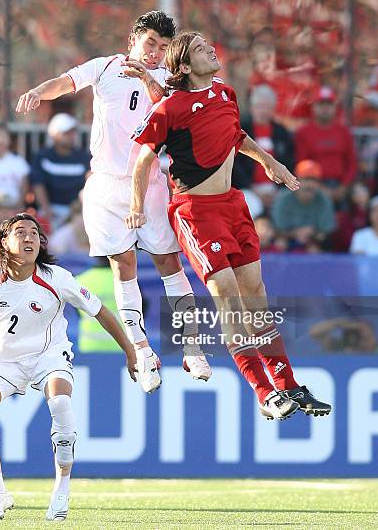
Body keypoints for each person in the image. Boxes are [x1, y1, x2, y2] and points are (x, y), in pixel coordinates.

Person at [126, 31, 331, 420]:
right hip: (196, 212)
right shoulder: (170, 109)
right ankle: (263, 393)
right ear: (185, 66)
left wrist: (269, 161)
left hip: (233, 205)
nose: (212, 49)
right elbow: (142, 161)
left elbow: (235, 136)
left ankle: (287, 385)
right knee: (230, 301)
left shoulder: (226, 93)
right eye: (202, 49)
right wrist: (137, 207)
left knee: (256, 297)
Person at [16, 11, 211, 392]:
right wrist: (40, 91)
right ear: (134, 39)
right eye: (151, 43)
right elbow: (67, 82)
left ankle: (192, 346)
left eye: (163, 47)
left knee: (170, 262)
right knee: (123, 267)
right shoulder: (104, 67)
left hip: (150, 181)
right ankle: (141, 349)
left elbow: (172, 115)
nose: (155, 53)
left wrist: (149, 81)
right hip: (105, 184)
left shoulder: (168, 79)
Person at [0, 213, 136, 521]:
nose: (29, 238)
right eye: (21, 232)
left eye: (35, 233)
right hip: (2, 358)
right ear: (4, 241)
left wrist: (130, 350)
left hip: (49, 355)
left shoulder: (57, 278)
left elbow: (100, 311)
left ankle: (62, 489)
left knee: (61, 403)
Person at [232, 84, 294, 213]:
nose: (263, 111)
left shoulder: (282, 133)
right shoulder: (241, 130)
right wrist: (252, 187)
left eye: (267, 107)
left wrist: (279, 189)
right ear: (252, 107)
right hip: (247, 188)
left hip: (277, 190)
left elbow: (289, 162)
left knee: (286, 205)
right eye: (259, 106)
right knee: (250, 207)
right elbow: (235, 165)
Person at [295, 86, 357, 203]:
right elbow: (301, 164)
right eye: (321, 104)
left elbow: (352, 163)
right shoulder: (304, 132)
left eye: (328, 104)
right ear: (313, 107)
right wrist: (319, 188)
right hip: (313, 184)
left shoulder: (344, 132)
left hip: (341, 185)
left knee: (360, 196)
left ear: (334, 107)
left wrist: (343, 187)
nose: (325, 108)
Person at [30, 113, 89, 230]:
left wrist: (80, 209)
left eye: (72, 132)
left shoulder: (84, 157)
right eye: (66, 133)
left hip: (78, 213)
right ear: (54, 135)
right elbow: (38, 184)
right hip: (50, 213)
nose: (71, 136)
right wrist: (47, 210)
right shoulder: (43, 157)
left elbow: (90, 181)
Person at [271, 160, 336, 253]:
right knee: (279, 244)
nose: (309, 184)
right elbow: (277, 228)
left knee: (316, 249)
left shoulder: (323, 199)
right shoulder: (283, 198)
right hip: (288, 238)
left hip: (313, 240)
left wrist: (312, 233)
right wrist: (295, 233)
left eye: (313, 180)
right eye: (305, 179)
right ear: (295, 180)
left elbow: (326, 230)